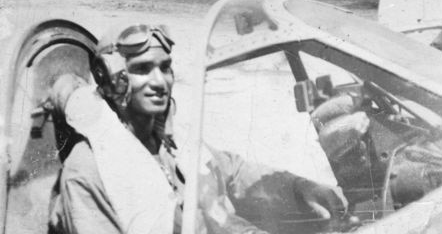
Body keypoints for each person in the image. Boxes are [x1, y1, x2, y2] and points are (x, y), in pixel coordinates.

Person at [48, 23, 348, 234]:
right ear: (110, 77)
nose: (159, 81)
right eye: (142, 69)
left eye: (165, 67)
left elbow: (233, 172)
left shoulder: (168, 140)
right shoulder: (88, 170)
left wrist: (300, 188)